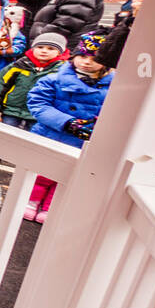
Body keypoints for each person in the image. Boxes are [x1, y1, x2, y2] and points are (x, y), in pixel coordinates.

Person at [24, 29, 120, 223]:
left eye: (94, 58)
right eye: (82, 56)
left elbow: (118, 111)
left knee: (67, 176)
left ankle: (52, 206)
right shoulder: (53, 79)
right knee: (42, 171)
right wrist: (66, 122)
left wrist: (100, 125)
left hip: (84, 141)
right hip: (51, 134)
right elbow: (38, 103)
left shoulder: (116, 87)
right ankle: (31, 201)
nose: (86, 61)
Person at [0, 31, 66, 130]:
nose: (44, 51)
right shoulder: (19, 65)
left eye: (51, 49)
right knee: (5, 135)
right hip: (11, 110)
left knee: (31, 140)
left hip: (38, 114)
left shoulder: (61, 72)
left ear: (59, 52)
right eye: (40, 47)